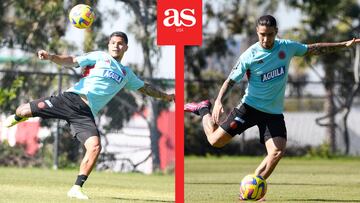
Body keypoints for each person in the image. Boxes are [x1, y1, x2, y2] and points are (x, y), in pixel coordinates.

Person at [184, 14, 359, 197]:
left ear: (276, 32)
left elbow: (314, 49)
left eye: (270, 34)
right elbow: (230, 81)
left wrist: (343, 45)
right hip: (249, 108)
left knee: (276, 152)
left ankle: (250, 191)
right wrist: (218, 100)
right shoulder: (249, 55)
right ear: (257, 32)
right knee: (215, 141)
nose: (266, 39)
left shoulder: (287, 47)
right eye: (262, 34)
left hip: (273, 113)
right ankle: (203, 108)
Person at [4, 31, 175, 199]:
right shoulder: (100, 56)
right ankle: (19, 118)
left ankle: (76, 188)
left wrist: (166, 96)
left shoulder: (126, 73)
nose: (116, 45)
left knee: (95, 147)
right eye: (113, 42)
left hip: (85, 114)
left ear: (126, 48)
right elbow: (72, 60)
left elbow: (145, 88)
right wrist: (50, 56)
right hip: (69, 99)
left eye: (120, 43)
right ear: (109, 45)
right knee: (22, 110)